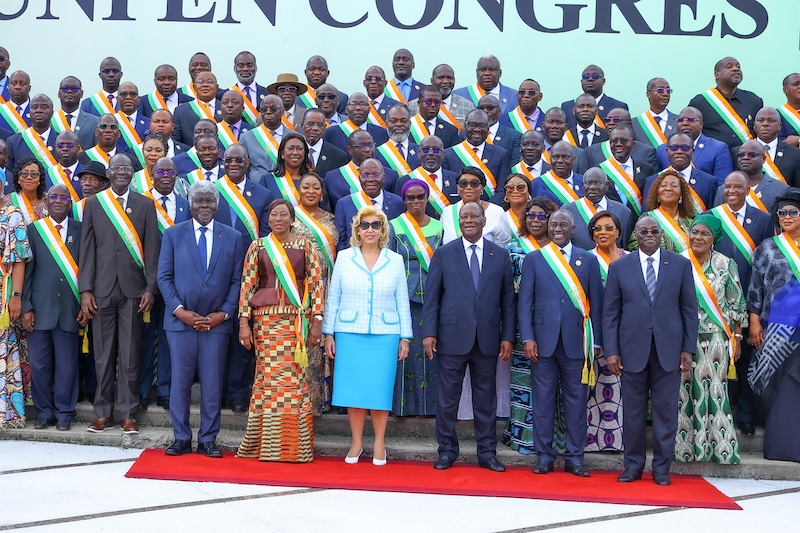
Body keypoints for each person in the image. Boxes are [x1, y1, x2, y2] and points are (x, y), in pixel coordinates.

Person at [604, 215, 698, 485]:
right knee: (632, 412)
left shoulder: (680, 265)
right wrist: (612, 351)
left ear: (661, 234)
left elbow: (689, 311)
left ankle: (661, 469)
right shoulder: (620, 267)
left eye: (654, 231)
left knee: (665, 412)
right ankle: (633, 465)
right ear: (634, 234)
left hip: (668, 349)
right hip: (631, 350)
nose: (648, 234)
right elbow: (610, 314)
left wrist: (687, 348)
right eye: (643, 231)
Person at [423, 202, 516, 472]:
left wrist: (507, 336)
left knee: (485, 400)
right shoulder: (444, 253)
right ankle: (447, 451)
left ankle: (487, 453)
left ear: (485, 221)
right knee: (448, 399)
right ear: (459, 221)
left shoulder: (499, 255)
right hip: (450, 337)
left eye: (475, 216)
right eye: (464, 216)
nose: (469, 220)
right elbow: (432, 299)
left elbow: (508, 301)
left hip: (487, 339)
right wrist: (429, 333)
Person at [158, 180, 244, 458]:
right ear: (190, 204)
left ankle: (208, 439)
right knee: (180, 383)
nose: (204, 206)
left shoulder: (232, 237)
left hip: (216, 325)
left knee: (212, 384)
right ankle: (181, 437)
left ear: (217, 205)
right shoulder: (173, 235)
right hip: (181, 324)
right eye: (199, 201)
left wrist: (223, 314)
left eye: (209, 201)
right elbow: (164, 277)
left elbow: (237, 281)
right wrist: (180, 311)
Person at [323, 206, 412, 466]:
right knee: (354, 392)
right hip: (350, 333)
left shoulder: (394, 259)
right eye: (365, 225)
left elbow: (402, 300)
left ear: (383, 229)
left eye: (376, 225)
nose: (370, 230)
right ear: (357, 230)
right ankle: (357, 442)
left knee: (379, 391)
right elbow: (334, 297)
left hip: (385, 335)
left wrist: (405, 337)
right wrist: (329, 333)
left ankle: (379, 442)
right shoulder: (343, 257)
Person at [237, 199, 324, 462]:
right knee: (268, 377)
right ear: (268, 218)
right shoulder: (258, 246)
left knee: (294, 379)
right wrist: (243, 322)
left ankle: (294, 446)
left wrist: (317, 319)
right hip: (265, 322)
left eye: (283, 215)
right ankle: (264, 444)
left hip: (296, 321)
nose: (278, 219)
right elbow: (247, 286)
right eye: (273, 214)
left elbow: (316, 282)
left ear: (292, 218)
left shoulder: (306, 245)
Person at [79, 153, 160, 435]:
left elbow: (152, 250)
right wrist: (85, 290)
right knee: (102, 354)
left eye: (127, 168)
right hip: (100, 289)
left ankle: (128, 413)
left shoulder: (146, 205)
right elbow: (86, 249)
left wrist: (151, 287)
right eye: (117, 168)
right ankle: (103, 414)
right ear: (109, 173)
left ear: (132, 174)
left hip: (134, 290)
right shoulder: (94, 203)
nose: (122, 172)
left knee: (130, 354)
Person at [518, 209, 603, 477]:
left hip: (577, 342)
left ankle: (575, 457)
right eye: (552, 223)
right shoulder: (534, 259)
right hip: (542, 342)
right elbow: (524, 303)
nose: (557, 228)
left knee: (577, 402)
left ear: (573, 228)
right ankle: (544, 456)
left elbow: (597, 305)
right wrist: (528, 337)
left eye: (563, 224)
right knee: (542, 401)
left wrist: (597, 341)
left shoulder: (588, 260)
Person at [675, 214, 746, 464]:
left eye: (705, 233)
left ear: (714, 238)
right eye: (695, 232)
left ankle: (718, 450)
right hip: (683, 337)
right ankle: (686, 450)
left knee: (714, 392)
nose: (698, 237)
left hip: (717, 337)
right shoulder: (679, 261)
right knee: (685, 391)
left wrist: (736, 338)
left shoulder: (725, 264)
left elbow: (736, 302)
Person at [707, 171, 773, 436]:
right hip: (715, 302)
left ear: (748, 190)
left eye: (738, 187)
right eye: (727, 186)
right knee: (717, 359)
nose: (732, 191)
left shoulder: (763, 218)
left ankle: (745, 414)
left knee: (745, 359)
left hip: (750, 299)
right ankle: (717, 413)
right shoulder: (713, 216)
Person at [22, 184, 83, 431]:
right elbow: (27, 272)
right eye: (54, 197)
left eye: (64, 197)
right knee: (39, 365)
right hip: (39, 309)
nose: (59, 201)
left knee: (68, 365)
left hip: (70, 308)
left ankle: (65, 412)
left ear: (70, 203)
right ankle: (44, 412)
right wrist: (26, 306)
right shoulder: (35, 230)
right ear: (46, 202)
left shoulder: (80, 230)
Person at [501, 196, 559, 454]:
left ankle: (553, 440)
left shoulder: (561, 247)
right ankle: (523, 439)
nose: (535, 220)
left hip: (556, 325)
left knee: (552, 384)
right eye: (530, 215)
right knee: (524, 384)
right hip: (522, 326)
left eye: (541, 216)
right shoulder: (514, 247)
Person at [747, 188, 800, 462]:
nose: (786, 217)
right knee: (772, 382)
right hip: (776, 327)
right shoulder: (767, 247)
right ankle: (782, 444)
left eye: (793, 212)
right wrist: (754, 321)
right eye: (782, 213)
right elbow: (755, 287)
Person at [137, 157, 190, 412]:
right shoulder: (141, 203)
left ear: (177, 174)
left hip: (175, 283)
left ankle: (166, 390)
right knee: (145, 338)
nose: (166, 175)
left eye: (170, 171)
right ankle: (143, 389)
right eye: (161, 171)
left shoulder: (185, 205)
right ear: (152, 174)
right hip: (146, 282)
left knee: (170, 337)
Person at [390, 179, 443, 417]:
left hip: (433, 298)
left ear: (427, 198)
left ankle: (430, 408)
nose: (415, 201)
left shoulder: (440, 228)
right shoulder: (393, 226)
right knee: (406, 353)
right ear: (404, 199)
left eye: (420, 196)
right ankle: (403, 407)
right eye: (410, 197)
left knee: (430, 352)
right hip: (402, 298)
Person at [290, 172, 338, 415]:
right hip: (299, 289)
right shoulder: (291, 217)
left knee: (323, 343)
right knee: (303, 341)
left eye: (315, 187)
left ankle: (321, 399)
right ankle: (300, 398)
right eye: (306, 186)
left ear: (322, 192)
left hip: (328, 288)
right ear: (299, 190)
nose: (311, 191)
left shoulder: (331, 218)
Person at [585, 210, 627, 452]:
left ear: (618, 232)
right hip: (594, 333)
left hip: (625, 333)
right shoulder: (586, 260)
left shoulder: (630, 258)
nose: (603, 232)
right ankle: (593, 441)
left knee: (621, 386)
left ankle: (618, 441)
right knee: (595, 386)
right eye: (598, 228)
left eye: (609, 228)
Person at [0, 198, 31, 429]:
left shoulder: (12, 214)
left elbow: (18, 259)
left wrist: (16, 296)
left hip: (3, 292)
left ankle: (6, 413)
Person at [688, 57, 763, 149]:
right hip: (713, 159)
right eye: (729, 67)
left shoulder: (753, 101)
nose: (736, 69)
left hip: (746, 159)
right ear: (716, 74)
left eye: (738, 66)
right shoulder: (700, 102)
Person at [333, 158, 405, 250]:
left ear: (384, 177)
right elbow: (342, 242)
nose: (370, 179)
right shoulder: (344, 204)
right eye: (365, 175)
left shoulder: (398, 203)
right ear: (359, 178)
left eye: (376, 175)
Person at [442, 109, 512, 199]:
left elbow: (503, 190)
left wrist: (487, 208)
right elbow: (448, 189)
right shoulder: (448, 154)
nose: (477, 129)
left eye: (482, 125)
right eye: (472, 125)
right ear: (465, 126)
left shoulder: (501, 154)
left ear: (488, 128)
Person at [644, 133, 718, 213]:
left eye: (685, 148)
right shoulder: (652, 180)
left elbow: (710, 216)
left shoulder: (708, 181)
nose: (679, 151)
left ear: (693, 152)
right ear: (667, 151)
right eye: (674, 148)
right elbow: (647, 214)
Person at [656, 107, 733, 183]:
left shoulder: (718, 148)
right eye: (680, 120)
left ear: (701, 124)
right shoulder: (662, 150)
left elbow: (722, 185)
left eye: (691, 120)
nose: (685, 123)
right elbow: (656, 182)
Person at [565, 167, 634, 250]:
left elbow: (625, 247)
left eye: (598, 183)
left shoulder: (623, 212)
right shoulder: (568, 211)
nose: (592, 187)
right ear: (583, 185)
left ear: (607, 185)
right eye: (589, 183)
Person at [439, 167, 511, 246]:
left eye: (474, 183)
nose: (468, 187)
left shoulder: (496, 212)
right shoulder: (447, 212)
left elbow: (503, 247)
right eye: (463, 183)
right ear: (457, 187)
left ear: (482, 187)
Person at [630, 169, 696, 252]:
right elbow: (633, 246)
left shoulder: (690, 220)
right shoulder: (647, 218)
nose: (668, 188)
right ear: (657, 193)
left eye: (674, 186)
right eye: (663, 185)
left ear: (681, 194)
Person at [733, 107, 800, 187]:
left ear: (780, 126)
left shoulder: (795, 153)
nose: (765, 124)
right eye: (760, 120)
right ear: (754, 125)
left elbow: (797, 187)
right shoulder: (738, 152)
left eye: (771, 120)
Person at [560, 64, 628, 129]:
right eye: (586, 76)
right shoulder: (567, 107)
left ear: (603, 81)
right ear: (581, 81)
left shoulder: (618, 106)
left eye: (595, 76)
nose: (590, 79)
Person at [172, 71, 223, 146]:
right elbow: (176, 141)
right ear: (194, 87)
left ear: (217, 87)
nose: (205, 85)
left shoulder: (226, 108)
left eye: (209, 82)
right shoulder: (181, 111)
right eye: (200, 82)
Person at [260, 132, 314, 203]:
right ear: (282, 153)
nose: (295, 152)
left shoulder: (314, 180)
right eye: (290, 148)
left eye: (299, 149)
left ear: (305, 153)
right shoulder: (267, 179)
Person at [54, 76, 99, 151]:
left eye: (74, 89)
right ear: (59, 93)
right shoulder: (50, 121)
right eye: (65, 88)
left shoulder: (94, 122)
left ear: (82, 94)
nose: (69, 91)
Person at [632, 78, 677, 149]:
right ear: (648, 94)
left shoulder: (679, 121)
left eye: (668, 90)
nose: (665, 94)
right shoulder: (635, 123)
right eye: (660, 90)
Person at [7, 156, 47, 224]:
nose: (29, 177)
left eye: (34, 174)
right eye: (24, 174)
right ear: (18, 178)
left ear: (40, 179)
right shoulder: (6, 202)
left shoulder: (50, 201)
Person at [497, 173, 532, 241]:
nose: (515, 191)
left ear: (529, 192)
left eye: (520, 187)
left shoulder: (537, 216)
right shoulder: (500, 218)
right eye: (510, 187)